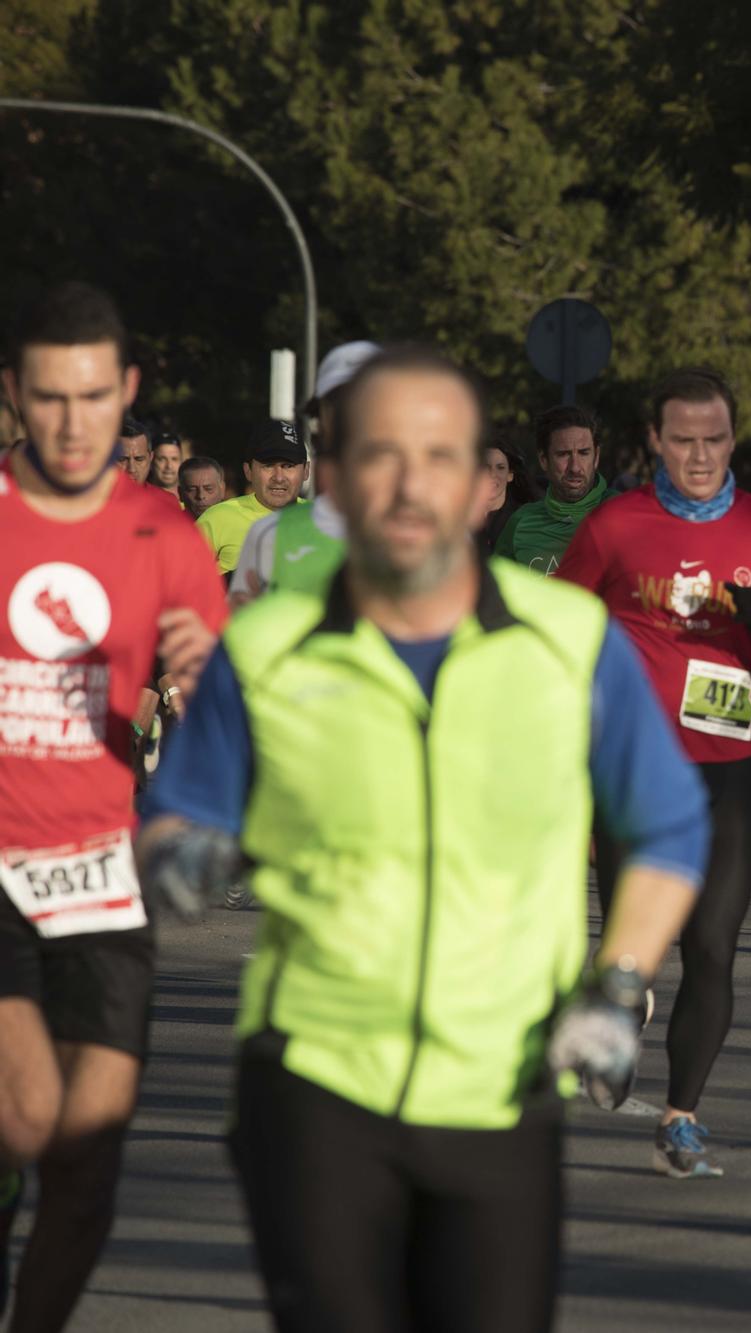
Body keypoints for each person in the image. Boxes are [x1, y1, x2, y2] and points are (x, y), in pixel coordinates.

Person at [137, 344, 710, 1333]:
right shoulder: (267, 651)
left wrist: (617, 984)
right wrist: (187, 858)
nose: (408, 484)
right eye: (379, 455)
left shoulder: (568, 643)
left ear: (487, 480)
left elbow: (666, 824)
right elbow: (181, 821)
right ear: (337, 473)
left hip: (502, 1084)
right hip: (313, 1078)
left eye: (438, 455)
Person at [0, 282, 226, 1329]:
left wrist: (205, 672)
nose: (72, 422)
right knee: (34, 1111)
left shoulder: (165, 535)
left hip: (100, 866)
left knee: (89, 1161)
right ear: (16, 397)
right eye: (48, 398)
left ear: (125, 390)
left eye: (93, 397)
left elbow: (223, 725)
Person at [559, 367, 751, 1179]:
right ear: (655, 440)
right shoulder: (615, 525)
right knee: (635, 944)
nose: (700, 454)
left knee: (712, 946)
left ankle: (681, 1116)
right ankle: (617, 1008)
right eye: (683, 439)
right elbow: (557, 624)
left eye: (714, 438)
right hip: (631, 764)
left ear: (733, 438)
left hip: (725, 769)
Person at [228, 341, 382, 603]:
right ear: (319, 420)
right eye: (339, 405)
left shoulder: (443, 536)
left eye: (370, 400)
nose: (353, 416)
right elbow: (239, 634)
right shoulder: (270, 534)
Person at [495, 403, 609, 573]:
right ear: (543, 459)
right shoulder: (520, 522)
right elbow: (493, 593)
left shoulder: (623, 514)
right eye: (563, 454)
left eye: (584, 453)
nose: (575, 467)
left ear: (596, 457)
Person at [195, 420, 307, 574]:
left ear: (306, 471)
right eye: (268, 465)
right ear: (248, 471)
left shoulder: (326, 523)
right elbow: (179, 583)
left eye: (288, 466)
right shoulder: (217, 519)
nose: (279, 477)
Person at [176, 455, 227, 521]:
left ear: (222, 489)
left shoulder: (239, 525)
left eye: (208, 489)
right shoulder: (168, 528)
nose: (200, 496)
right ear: (180, 493)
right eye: (192, 490)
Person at [114, 414, 150, 486]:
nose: (132, 469)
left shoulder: (165, 497)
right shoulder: (90, 497)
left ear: (150, 458)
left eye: (139, 459)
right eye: (122, 459)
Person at [146, 427, 182, 496]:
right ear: (151, 462)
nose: (169, 466)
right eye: (162, 459)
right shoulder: (140, 499)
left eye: (174, 459)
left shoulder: (193, 501)